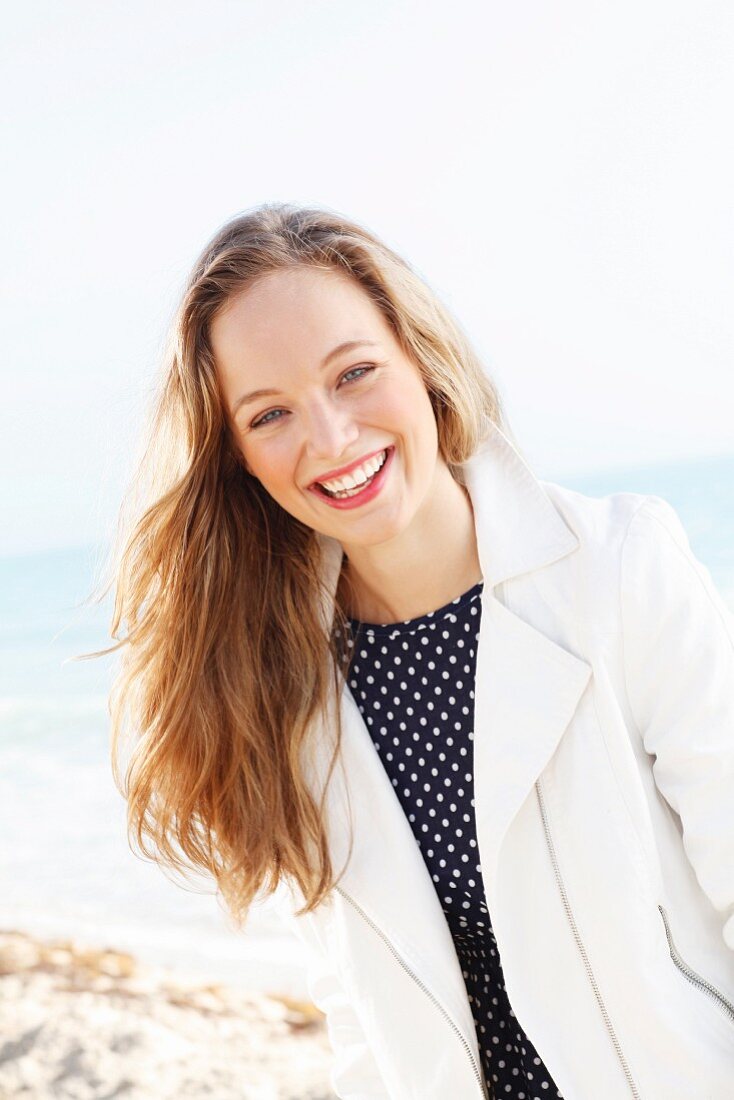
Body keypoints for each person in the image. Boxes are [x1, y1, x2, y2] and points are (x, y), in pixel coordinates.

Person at [100, 202, 734, 1099]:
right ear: (236, 456)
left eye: (354, 373)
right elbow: (361, 1014)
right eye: (270, 414)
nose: (331, 438)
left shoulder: (619, 571)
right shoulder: (274, 683)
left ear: (419, 357)